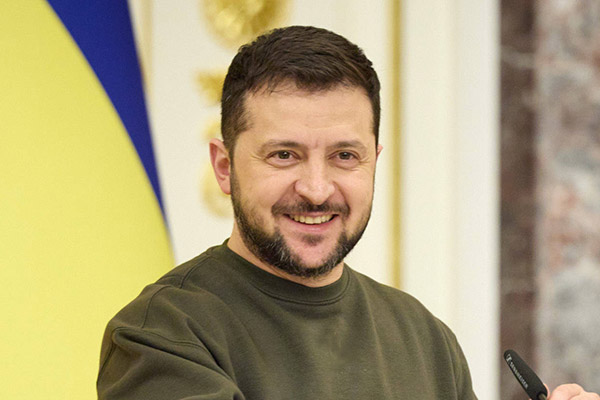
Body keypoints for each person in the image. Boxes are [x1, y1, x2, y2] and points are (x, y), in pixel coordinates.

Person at [96, 26, 599, 400]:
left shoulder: (424, 338)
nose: (317, 190)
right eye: (284, 155)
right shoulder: (160, 335)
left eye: (344, 156)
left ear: (373, 161)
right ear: (225, 167)